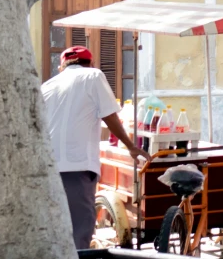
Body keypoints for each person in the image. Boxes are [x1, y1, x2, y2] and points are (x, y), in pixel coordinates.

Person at [41, 46, 150, 249]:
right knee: (80, 230)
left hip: (46, 169)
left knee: (54, 231)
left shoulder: (47, 85)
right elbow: (110, 116)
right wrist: (130, 147)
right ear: (90, 63)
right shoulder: (93, 75)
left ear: (61, 67)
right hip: (76, 166)